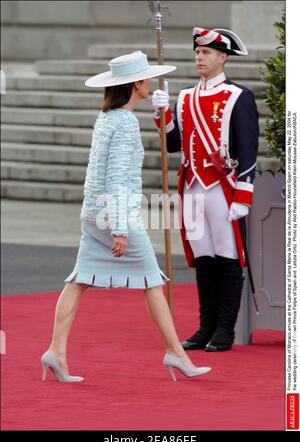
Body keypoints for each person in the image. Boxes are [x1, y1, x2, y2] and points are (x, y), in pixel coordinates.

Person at [40, 51, 212, 383]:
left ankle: (56, 352)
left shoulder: (108, 118)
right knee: (151, 279)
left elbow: (101, 174)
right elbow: (117, 177)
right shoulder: (125, 123)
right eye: (146, 78)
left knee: (79, 281)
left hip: (95, 212)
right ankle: (175, 353)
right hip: (114, 215)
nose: (149, 82)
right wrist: (119, 227)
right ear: (136, 85)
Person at [152, 28, 259, 352]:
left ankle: (224, 330)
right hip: (193, 187)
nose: (200, 57)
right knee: (203, 257)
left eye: (207, 53)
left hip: (222, 189)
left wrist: (244, 195)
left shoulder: (238, 97)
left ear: (223, 57)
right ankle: (205, 327)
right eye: (198, 52)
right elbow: (172, 145)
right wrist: (163, 114)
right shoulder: (185, 97)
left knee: (228, 257)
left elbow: (249, 148)